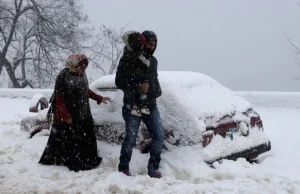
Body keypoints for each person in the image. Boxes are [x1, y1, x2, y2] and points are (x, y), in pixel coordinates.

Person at [38, 54, 111, 172]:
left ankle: (88, 161)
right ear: (74, 63)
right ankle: (73, 162)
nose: (83, 69)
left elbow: (85, 90)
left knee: (86, 136)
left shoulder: (82, 74)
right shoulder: (64, 75)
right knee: (70, 139)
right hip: (68, 111)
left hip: (83, 111)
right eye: (81, 66)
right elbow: (59, 97)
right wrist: (66, 116)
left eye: (85, 66)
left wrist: (98, 98)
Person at [115, 30, 164, 178]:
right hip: (132, 105)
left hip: (150, 105)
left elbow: (154, 79)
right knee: (131, 137)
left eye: (154, 45)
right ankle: (123, 168)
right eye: (149, 43)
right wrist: (138, 87)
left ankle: (153, 168)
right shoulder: (129, 58)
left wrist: (156, 90)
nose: (152, 47)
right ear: (143, 43)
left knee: (159, 135)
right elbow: (119, 81)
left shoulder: (153, 61)